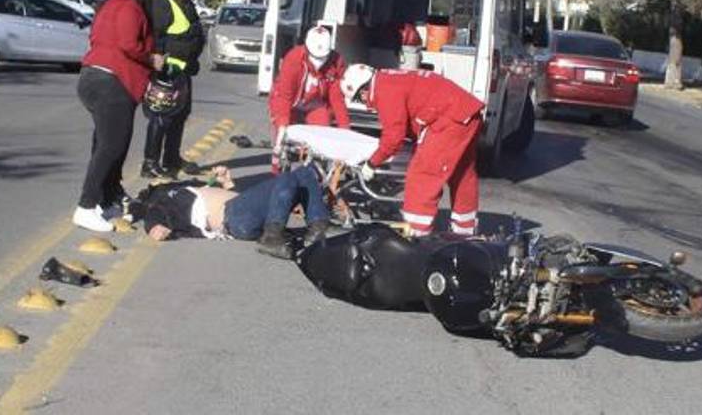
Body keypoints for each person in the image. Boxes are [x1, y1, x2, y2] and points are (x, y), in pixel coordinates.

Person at [341, 65, 484, 236]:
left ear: (363, 90)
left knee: (422, 176)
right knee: (461, 175)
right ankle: (465, 232)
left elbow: (393, 137)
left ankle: (417, 234)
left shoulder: (384, 90)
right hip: (465, 111)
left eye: (359, 98)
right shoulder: (389, 79)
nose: (363, 102)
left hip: (449, 119)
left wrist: (372, 163)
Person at [75, 0, 165, 233]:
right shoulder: (130, 7)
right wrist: (151, 59)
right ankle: (86, 206)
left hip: (92, 77)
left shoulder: (109, 5)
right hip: (113, 82)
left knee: (105, 144)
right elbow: (128, 44)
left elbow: (96, 38)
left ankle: (106, 200)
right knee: (111, 147)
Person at [134, 165, 331, 259]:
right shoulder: (163, 201)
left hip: (242, 213)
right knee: (286, 178)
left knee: (305, 173)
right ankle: (271, 238)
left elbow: (245, 200)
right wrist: (154, 227)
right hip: (233, 219)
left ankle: (317, 228)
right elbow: (153, 218)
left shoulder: (186, 189)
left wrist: (228, 182)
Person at [141, 0, 207, 179]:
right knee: (161, 117)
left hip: (183, 70)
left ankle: (171, 158)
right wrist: (158, 63)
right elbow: (155, 37)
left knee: (180, 115)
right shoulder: (162, 1)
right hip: (167, 71)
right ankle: (150, 162)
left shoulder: (186, 2)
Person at [269, 25, 351, 172]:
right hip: (290, 101)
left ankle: (317, 172)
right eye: (315, 57)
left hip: (315, 103)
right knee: (281, 139)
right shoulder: (293, 59)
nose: (318, 61)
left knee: (322, 130)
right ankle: (277, 171)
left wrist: (344, 128)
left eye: (323, 57)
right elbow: (284, 96)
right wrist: (282, 126)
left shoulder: (336, 62)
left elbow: (337, 97)